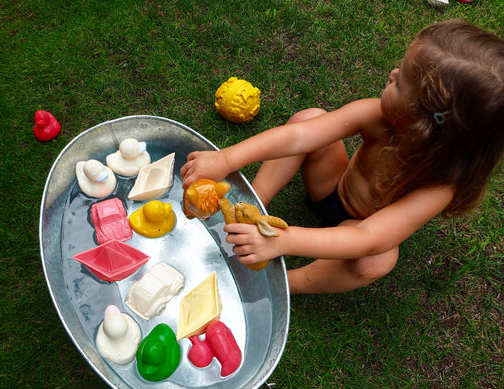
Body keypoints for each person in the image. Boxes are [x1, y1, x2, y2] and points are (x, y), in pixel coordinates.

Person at [180, 20, 504, 294]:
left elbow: (367, 237)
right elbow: (300, 137)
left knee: (376, 261)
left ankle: (282, 284)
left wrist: (282, 239)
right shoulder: (377, 115)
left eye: (402, 79)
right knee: (309, 118)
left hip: (359, 226)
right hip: (332, 188)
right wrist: (226, 160)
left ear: (422, 123)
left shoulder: (439, 186)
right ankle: (252, 205)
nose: (392, 73)